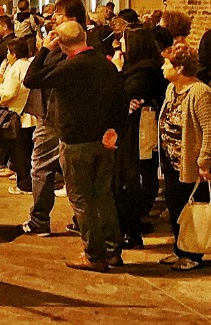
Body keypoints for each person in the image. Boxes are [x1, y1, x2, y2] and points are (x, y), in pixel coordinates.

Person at [24, 21, 126, 272]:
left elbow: (32, 79)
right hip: (103, 142)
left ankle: (94, 254)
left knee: (81, 199)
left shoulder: (69, 67)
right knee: (103, 197)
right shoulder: (105, 64)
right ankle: (113, 251)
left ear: (60, 41)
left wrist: (45, 50)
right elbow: (121, 99)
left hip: (75, 143)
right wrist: (114, 129)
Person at [157, 43, 211, 271]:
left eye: (167, 64)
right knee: (176, 205)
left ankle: (193, 254)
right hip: (172, 160)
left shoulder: (200, 92)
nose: (162, 68)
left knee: (193, 209)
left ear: (179, 68)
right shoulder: (172, 89)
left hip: (191, 162)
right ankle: (179, 249)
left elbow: (209, 128)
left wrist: (204, 160)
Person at [114, 27, 168, 249]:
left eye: (124, 41)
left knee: (133, 176)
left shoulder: (144, 71)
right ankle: (135, 221)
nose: (120, 45)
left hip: (139, 131)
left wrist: (117, 72)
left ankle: (132, 227)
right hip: (136, 129)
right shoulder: (139, 67)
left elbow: (126, 95)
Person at [0, 38, 34, 195]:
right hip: (31, 114)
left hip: (18, 114)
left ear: (13, 54)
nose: (7, 56)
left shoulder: (16, 68)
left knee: (20, 152)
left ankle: (24, 185)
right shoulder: (29, 64)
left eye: (9, 52)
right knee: (28, 151)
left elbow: (9, 93)